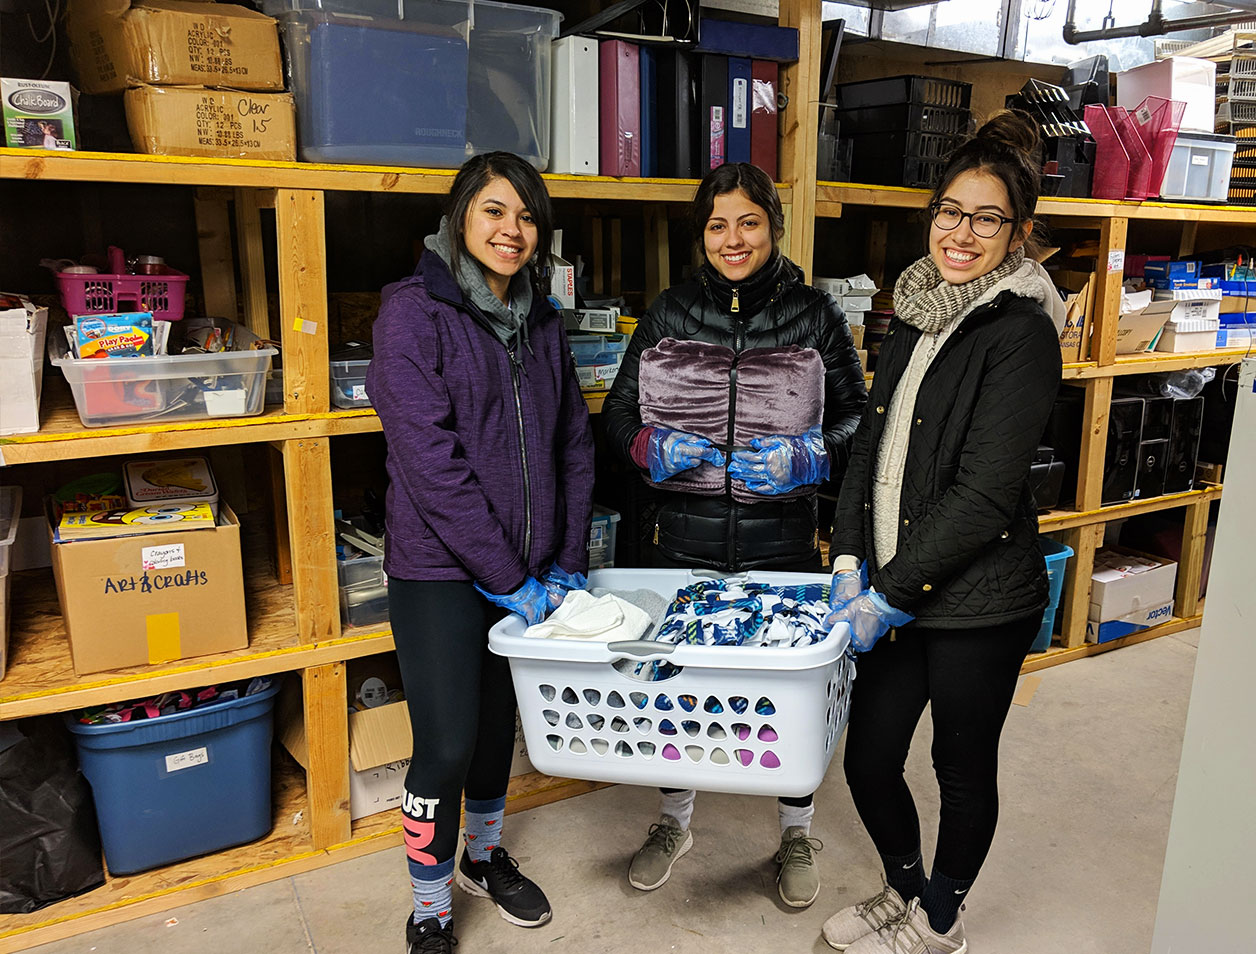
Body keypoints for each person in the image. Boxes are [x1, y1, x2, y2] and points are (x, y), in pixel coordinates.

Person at [820, 111, 1066, 954]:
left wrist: (885, 595)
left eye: (987, 218)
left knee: (960, 773)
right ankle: (903, 885)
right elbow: (871, 443)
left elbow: (988, 493)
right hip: (891, 583)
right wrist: (850, 557)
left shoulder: (1022, 332)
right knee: (867, 760)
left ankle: (939, 922)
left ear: (1019, 235)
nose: (963, 232)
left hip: (976, 603)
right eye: (950, 211)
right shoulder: (917, 310)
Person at [603, 161, 867, 908]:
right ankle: (674, 822)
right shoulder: (669, 312)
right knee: (675, 690)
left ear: (773, 227)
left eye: (748, 222)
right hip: (678, 540)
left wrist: (812, 454)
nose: (733, 238)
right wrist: (647, 447)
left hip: (780, 543)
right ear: (701, 236)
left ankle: (795, 831)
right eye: (717, 225)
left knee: (787, 694)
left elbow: (861, 423)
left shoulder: (815, 316)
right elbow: (619, 415)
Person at [367, 151, 595, 954]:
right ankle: (430, 905)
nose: (513, 230)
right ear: (461, 215)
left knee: (500, 729)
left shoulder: (543, 320)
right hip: (438, 573)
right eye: (496, 211)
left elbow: (572, 439)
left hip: (532, 571)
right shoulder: (410, 313)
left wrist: (564, 561)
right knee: (447, 743)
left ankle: (485, 858)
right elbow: (431, 466)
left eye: (528, 216)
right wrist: (507, 578)